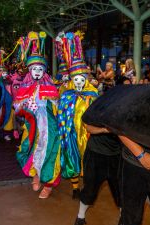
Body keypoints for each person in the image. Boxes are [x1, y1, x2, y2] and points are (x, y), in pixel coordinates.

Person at [14, 31, 61, 199]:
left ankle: (48, 184)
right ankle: (36, 174)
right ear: (29, 70)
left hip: (50, 127)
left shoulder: (51, 88)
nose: (37, 72)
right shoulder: (24, 88)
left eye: (40, 69)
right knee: (32, 150)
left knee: (50, 152)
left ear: (44, 71)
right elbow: (19, 110)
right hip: (32, 127)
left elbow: (58, 109)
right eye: (34, 69)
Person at [56, 31, 99, 199]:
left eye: (82, 80)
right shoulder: (66, 95)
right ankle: (75, 188)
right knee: (72, 158)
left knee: (88, 161)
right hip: (71, 134)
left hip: (88, 135)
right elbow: (61, 115)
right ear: (71, 81)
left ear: (86, 79)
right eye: (76, 80)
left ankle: (88, 187)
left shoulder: (92, 94)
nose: (79, 83)